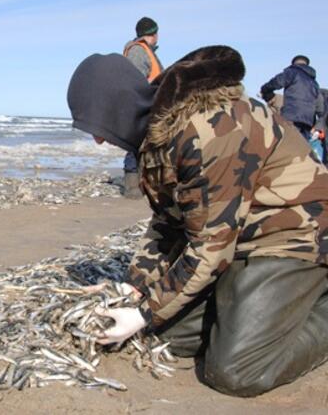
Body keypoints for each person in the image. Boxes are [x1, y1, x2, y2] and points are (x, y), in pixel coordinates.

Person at [67, 46, 328, 397]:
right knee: (166, 337)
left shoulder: (208, 129)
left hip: (294, 234)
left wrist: (144, 313)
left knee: (234, 371)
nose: (98, 139)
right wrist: (136, 286)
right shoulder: (157, 135)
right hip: (239, 241)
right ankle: (246, 300)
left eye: (98, 125)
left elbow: (210, 249)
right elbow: (167, 222)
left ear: (118, 106)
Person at [120, 17, 164, 199]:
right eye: (157, 33)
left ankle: (145, 184)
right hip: (141, 106)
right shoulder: (138, 51)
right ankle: (132, 187)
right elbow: (134, 81)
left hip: (148, 105)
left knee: (147, 146)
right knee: (136, 146)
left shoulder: (145, 51)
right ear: (153, 34)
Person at [261, 55, 325, 160]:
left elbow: (277, 82)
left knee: (285, 148)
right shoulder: (314, 84)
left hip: (291, 117)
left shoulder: (292, 72)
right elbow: (320, 109)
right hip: (307, 122)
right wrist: (317, 126)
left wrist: (265, 90)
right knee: (301, 150)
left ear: (294, 63)